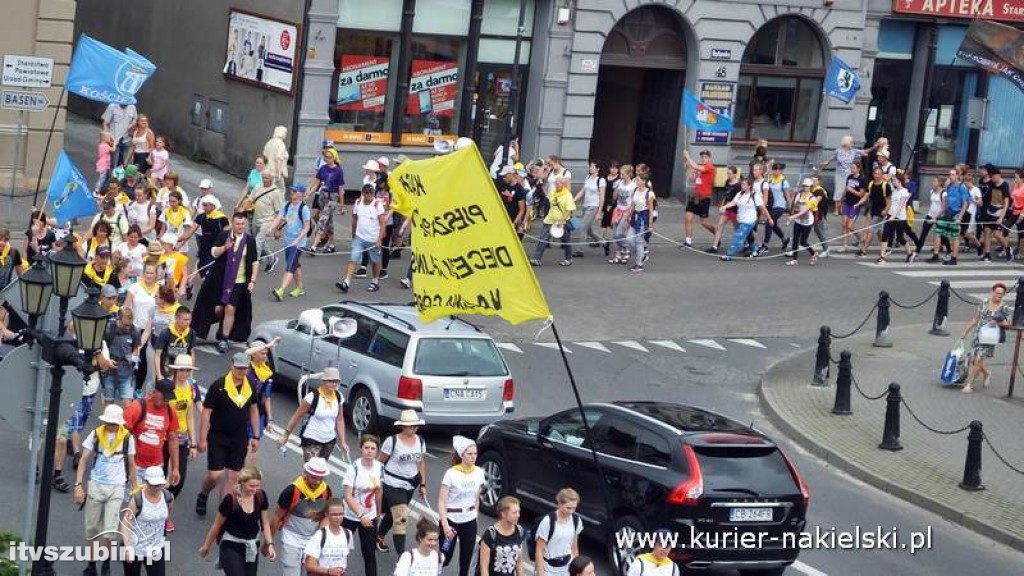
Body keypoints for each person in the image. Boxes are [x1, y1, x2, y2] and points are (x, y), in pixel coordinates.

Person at [74, 404, 138, 576]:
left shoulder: (127, 438)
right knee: (92, 528)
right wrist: (78, 485)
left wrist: (135, 492)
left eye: (115, 424)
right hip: (96, 485)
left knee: (109, 531)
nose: (112, 426)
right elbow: (83, 460)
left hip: (117, 487)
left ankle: (106, 564)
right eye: (109, 423)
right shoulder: (95, 435)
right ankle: (91, 564)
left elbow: (132, 466)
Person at [196, 352, 263, 515]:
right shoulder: (219, 385)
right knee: (215, 475)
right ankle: (204, 494)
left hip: (239, 437)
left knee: (233, 477)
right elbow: (206, 412)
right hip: (218, 435)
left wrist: (255, 436)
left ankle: (223, 514)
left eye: (244, 368)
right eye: (238, 367)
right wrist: (202, 439)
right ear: (231, 365)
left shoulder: (250, 387)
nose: (241, 371)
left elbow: (254, 410)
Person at [193, 213, 260, 352]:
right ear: (232, 223)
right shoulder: (224, 236)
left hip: (239, 282)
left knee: (231, 308)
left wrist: (252, 280)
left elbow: (254, 262)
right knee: (218, 309)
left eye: (243, 224)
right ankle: (218, 326)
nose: (240, 226)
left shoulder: (250, 240)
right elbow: (213, 252)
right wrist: (225, 247)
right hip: (220, 280)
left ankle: (224, 338)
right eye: (237, 224)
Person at [199, 466, 277, 576]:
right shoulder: (231, 500)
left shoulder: (260, 496)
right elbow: (216, 525)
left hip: (251, 545)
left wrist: (270, 544)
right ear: (242, 483)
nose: (255, 490)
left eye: (257, 486)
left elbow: (265, 523)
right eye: (251, 486)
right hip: (231, 544)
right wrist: (206, 546)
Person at [270, 457, 335, 576]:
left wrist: (321, 535)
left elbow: (327, 515)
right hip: (291, 537)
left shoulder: (326, 491)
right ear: (306, 474)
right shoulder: (291, 490)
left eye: (320, 478)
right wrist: (269, 542)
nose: (317, 482)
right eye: (314, 477)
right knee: (291, 573)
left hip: (313, 539)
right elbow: (277, 516)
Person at [377, 410, 428, 554]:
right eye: (411, 425)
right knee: (401, 518)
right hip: (392, 484)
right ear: (403, 426)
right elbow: (379, 462)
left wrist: (423, 484)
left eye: (416, 425)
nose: (414, 428)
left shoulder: (420, 441)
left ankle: (378, 536)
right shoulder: (392, 441)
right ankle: (402, 557)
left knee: (394, 514)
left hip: (410, 485)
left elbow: (421, 463)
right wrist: (374, 482)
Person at [278, 366, 349, 461]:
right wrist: (286, 435)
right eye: (331, 381)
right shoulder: (312, 397)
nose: (334, 384)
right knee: (312, 471)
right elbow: (297, 416)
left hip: (329, 440)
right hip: (312, 439)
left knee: (321, 471)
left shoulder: (338, 396)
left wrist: (343, 441)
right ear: (324, 381)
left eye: (336, 381)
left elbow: (340, 419)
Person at [439, 435, 486, 576]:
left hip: (469, 520)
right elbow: (442, 501)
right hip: (452, 520)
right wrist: (445, 524)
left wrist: (475, 515)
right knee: (444, 557)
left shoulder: (479, 472)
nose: (473, 457)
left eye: (475, 453)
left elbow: (477, 497)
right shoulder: (451, 474)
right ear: (462, 455)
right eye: (469, 454)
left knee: (466, 559)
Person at [123, 378, 181, 489]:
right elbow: (122, 434)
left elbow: (173, 440)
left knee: (154, 502)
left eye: (168, 399)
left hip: (156, 467)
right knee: (133, 502)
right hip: (135, 466)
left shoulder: (170, 412)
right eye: (164, 397)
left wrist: (175, 468)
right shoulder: (137, 407)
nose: (166, 401)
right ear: (155, 392)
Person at [342, 435, 384, 576]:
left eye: (373, 448)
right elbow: (348, 496)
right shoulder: (353, 468)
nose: (369, 451)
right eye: (366, 448)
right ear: (361, 449)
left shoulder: (379, 467)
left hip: (369, 516)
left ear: (377, 451)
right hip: (350, 515)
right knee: (341, 551)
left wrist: (378, 514)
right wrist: (361, 515)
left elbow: (378, 492)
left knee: (369, 553)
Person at [120, 467, 173, 576]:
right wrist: (128, 547)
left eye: (159, 484)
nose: (156, 488)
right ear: (146, 482)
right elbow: (125, 525)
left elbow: (166, 516)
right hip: (135, 548)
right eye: (153, 485)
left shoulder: (168, 497)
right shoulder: (137, 500)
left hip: (155, 548)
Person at [961, 282, 1012, 393]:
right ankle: (986, 373)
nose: (998, 295)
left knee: (979, 359)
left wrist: (998, 322)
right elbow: (976, 318)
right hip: (978, 334)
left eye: (1001, 294)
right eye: (997, 293)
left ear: (1004, 295)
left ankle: (970, 384)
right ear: (992, 292)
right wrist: (965, 331)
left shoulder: (1004, 307)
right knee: (974, 360)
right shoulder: (984, 302)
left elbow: (1009, 324)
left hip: (990, 337)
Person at [336, 184, 387, 293]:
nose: (369, 195)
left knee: (376, 261)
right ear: (363, 193)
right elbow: (354, 218)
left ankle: (375, 281)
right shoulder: (358, 203)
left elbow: (382, 223)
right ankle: (346, 281)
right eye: (367, 192)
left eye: (371, 192)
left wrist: (379, 240)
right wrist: (353, 233)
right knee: (353, 257)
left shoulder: (377, 204)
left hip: (373, 238)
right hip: (360, 236)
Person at [165, 354, 200, 511]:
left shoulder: (190, 387)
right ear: (176, 370)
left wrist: (193, 443)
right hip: (165, 437)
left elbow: (190, 416)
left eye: (188, 370)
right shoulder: (167, 387)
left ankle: (165, 505)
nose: (185, 373)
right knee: (161, 478)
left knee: (179, 479)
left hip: (181, 438)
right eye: (182, 370)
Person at [268, 184, 311, 300]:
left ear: (301, 194)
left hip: (298, 244)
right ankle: (300, 288)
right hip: (287, 241)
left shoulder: (304, 209)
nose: (292, 192)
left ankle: (280, 290)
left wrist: (297, 240)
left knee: (290, 266)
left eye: (295, 191)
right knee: (295, 265)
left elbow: (307, 227)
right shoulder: (287, 205)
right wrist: (271, 228)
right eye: (292, 190)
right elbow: (279, 217)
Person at [237, 169, 283, 272]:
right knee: (260, 242)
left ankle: (252, 267)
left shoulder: (276, 192)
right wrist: (242, 209)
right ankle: (272, 259)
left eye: (266, 178)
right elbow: (250, 200)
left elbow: (279, 212)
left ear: (271, 179)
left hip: (268, 221)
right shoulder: (258, 187)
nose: (264, 180)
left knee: (257, 244)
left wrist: (276, 228)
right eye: (263, 178)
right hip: (256, 219)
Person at [720, 178, 772, 262]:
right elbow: (733, 202)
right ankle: (755, 251)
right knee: (749, 237)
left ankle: (728, 255)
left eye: (744, 184)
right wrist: (725, 206)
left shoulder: (755, 195)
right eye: (742, 184)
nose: (742, 186)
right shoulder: (740, 194)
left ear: (749, 186)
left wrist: (769, 219)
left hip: (749, 221)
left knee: (738, 236)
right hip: (741, 220)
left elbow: (763, 208)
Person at [244, 339, 278, 467]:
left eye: (266, 353)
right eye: (262, 353)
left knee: (254, 443)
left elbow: (266, 397)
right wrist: (267, 345)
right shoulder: (246, 367)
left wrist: (269, 419)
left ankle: (247, 473)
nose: (265, 356)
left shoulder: (267, 371)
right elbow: (246, 352)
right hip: (242, 410)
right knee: (241, 443)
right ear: (254, 354)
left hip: (257, 412)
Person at [534, 489, 582, 576]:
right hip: (548, 568)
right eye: (568, 508)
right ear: (560, 504)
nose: (571, 511)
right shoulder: (548, 521)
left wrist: (576, 570)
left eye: (574, 508)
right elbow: (539, 550)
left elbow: (574, 548)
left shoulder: (576, 521)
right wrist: (540, 572)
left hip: (566, 568)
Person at [530, 176, 576, 267]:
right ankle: (536, 259)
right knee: (543, 239)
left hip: (562, 222)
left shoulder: (567, 195)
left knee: (566, 241)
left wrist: (562, 221)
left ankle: (568, 258)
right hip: (550, 220)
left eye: (557, 184)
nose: (556, 185)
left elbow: (569, 210)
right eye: (555, 183)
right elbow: (547, 198)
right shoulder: (553, 193)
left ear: (563, 185)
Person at [307, 147, 346, 253]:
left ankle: (314, 246)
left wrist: (342, 205)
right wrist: (309, 193)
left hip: (332, 198)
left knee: (322, 219)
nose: (327, 159)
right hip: (322, 196)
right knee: (329, 222)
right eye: (326, 157)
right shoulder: (323, 168)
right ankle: (332, 245)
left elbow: (340, 188)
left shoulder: (338, 170)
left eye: (329, 157)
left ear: (334, 158)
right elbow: (317, 183)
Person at [101, 307, 141, 407]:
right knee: (108, 404)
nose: (128, 327)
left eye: (130, 324)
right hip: (109, 371)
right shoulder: (109, 329)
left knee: (128, 405)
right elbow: (101, 347)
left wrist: (133, 356)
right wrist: (106, 361)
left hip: (126, 372)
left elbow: (136, 348)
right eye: (126, 325)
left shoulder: (134, 331)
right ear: (118, 319)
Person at [876, 173, 920, 264]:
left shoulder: (905, 192)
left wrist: (893, 216)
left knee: (900, 238)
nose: (893, 182)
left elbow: (900, 206)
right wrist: (887, 213)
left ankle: (910, 253)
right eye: (893, 181)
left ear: (900, 181)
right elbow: (892, 204)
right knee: (885, 235)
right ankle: (882, 256)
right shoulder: (894, 191)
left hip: (900, 217)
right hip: (891, 215)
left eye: (894, 180)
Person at [478, 496, 525, 576]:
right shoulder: (491, 534)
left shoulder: (519, 531)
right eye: (514, 512)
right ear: (503, 514)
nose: (518, 515)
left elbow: (519, 561)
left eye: (518, 512)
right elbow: (484, 567)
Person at [303, 498, 351, 576]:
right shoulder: (319, 536)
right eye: (334, 514)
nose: (338, 518)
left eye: (341, 514)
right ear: (327, 514)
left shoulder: (347, 534)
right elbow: (309, 565)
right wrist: (329, 571)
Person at [682, 149, 718, 250]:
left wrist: (688, 157)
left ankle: (717, 234)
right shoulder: (700, 168)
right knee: (688, 217)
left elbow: (696, 166)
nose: (703, 159)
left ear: (709, 158)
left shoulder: (709, 167)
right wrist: (689, 168)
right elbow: (692, 179)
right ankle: (688, 241)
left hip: (704, 198)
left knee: (704, 223)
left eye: (705, 157)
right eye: (702, 157)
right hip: (695, 196)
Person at [573, 160, 608, 257]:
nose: (590, 168)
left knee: (583, 227)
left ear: (598, 168)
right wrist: (574, 200)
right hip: (586, 205)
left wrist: (599, 211)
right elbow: (582, 191)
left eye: (592, 166)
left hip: (594, 206)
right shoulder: (588, 177)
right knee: (589, 230)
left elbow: (602, 196)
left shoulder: (601, 180)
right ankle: (604, 242)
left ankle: (579, 250)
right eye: (590, 166)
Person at [152, 305, 194, 382]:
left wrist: (191, 373)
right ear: (176, 318)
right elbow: (157, 355)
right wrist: (159, 375)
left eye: (189, 319)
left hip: (182, 373)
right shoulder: (166, 333)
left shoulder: (191, 333)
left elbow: (191, 353)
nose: (188, 322)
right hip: (166, 372)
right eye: (185, 319)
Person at [623, 174, 654, 272]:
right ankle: (642, 255)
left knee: (639, 241)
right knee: (629, 238)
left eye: (638, 180)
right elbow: (632, 206)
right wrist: (626, 218)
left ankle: (639, 264)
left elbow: (651, 210)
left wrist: (650, 225)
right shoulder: (635, 191)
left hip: (643, 218)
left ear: (644, 181)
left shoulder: (649, 193)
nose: (636, 181)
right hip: (635, 217)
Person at [783, 180, 819, 266]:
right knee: (795, 239)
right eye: (804, 186)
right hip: (798, 221)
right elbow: (794, 206)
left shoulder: (813, 199)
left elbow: (803, 211)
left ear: (810, 187)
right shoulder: (799, 195)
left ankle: (813, 253)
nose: (805, 187)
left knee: (803, 241)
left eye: (807, 186)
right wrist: (793, 195)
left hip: (807, 222)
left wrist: (792, 217)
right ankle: (795, 259)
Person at [101, 102, 137, 167]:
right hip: (114, 140)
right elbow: (105, 123)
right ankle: (109, 176)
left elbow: (135, 119)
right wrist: (108, 137)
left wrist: (131, 125)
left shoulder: (132, 107)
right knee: (111, 164)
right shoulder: (112, 106)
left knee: (122, 165)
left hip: (126, 140)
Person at [263, 126, 290, 191]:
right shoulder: (281, 144)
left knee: (267, 189)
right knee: (281, 191)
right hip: (275, 173)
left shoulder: (269, 142)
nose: (286, 135)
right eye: (285, 133)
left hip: (267, 171)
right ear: (282, 133)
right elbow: (279, 159)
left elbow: (264, 156)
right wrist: (279, 173)